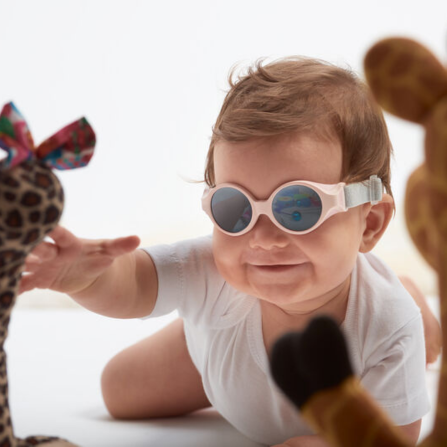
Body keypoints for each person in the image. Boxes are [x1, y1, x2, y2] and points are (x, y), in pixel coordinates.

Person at [21, 57, 441, 447]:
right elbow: (134, 281)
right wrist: (88, 279)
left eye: (297, 208)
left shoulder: (386, 320)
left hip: (342, 374)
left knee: (408, 329)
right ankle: (202, 329)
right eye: (234, 208)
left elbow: (394, 436)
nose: (262, 238)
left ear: (369, 223)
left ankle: (411, 299)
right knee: (118, 391)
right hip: (217, 345)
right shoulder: (212, 268)